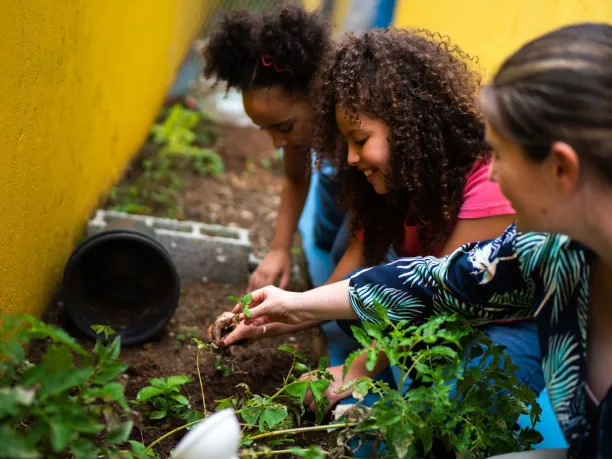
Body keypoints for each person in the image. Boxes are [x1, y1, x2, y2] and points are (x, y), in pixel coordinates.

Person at [214, 22, 612, 458]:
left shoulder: (492, 197)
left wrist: (350, 374)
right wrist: (290, 308)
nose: (494, 171)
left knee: (446, 395)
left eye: (501, 154)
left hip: (495, 335)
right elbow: (439, 283)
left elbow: (440, 310)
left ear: (561, 169)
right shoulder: (550, 250)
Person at [204, 4, 346, 293]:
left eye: (283, 127)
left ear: (317, 95)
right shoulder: (300, 131)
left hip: (376, 212)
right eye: (265, 129)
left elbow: (366, 236)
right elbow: (296, 178)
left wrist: (312, 307)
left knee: (342, 255)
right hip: (337, 195)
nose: (277, 143)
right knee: (325, 236)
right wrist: (278, 250)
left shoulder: (354, 126)